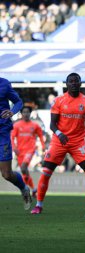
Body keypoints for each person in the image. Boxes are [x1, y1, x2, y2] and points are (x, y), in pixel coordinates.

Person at [31, 73, 85, 215]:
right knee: (46, 172)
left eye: (76, 81)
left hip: (78, 142)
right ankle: (38, 205)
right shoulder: (59, 100)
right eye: (71, 81)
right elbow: (52, 124)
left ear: (80, 84)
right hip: (59, 141)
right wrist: (59, 134)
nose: (74, 83)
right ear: (67, 84)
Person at [0, 77, 32, 210]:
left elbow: (18, 102)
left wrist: (12, 111)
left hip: (2, 132)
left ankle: (24, 189)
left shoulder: (4, 84)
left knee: (7, 174)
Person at [11, 106, 46, 198]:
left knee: (23, 168)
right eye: (24, 112)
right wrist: (14, 147)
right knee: (25, 172)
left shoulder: (35, 125)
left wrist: (43, 147)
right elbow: (12, 137)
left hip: (30, 150)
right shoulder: (17, 125)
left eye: (27, 112)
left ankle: (25, 189)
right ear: (21, 114)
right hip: (20, 151)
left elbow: (41, 136)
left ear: (30, 113)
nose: (26, 114)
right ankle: (33, 189)